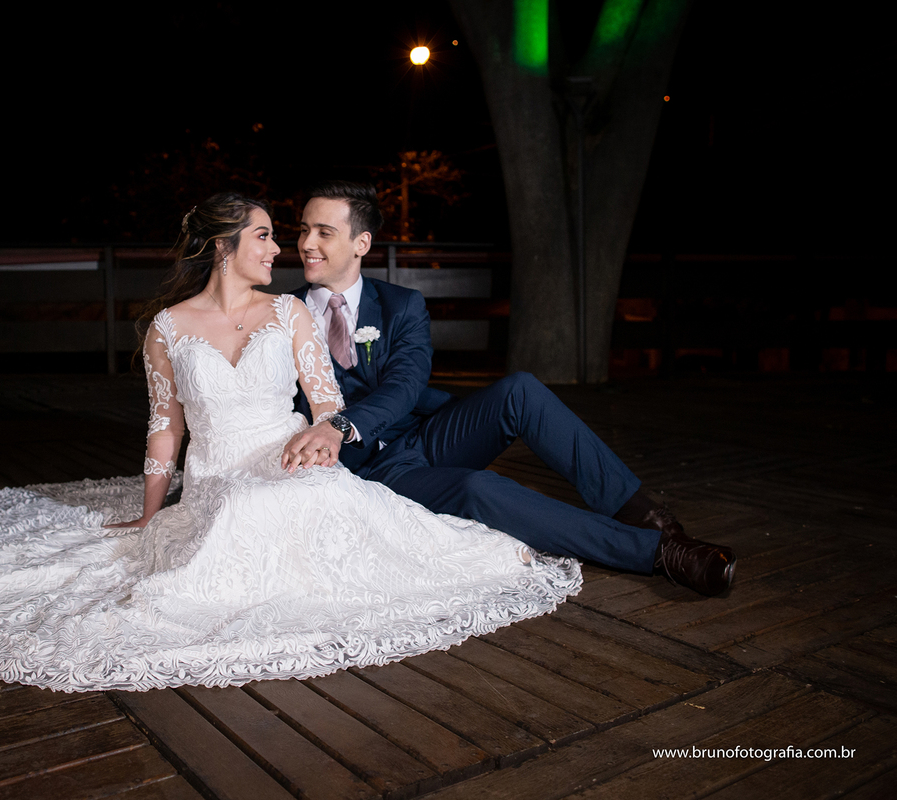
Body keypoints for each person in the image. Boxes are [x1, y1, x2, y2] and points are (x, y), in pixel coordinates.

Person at [0, 192, 582, 694]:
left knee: (320, 499)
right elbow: (165, 428)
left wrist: (324, 433)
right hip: (219, 466)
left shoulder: (289, 313)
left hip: (286, 450)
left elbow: (326, 400)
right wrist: (151, 509)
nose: (281, 245)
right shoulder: (168, 329)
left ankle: (457, 553)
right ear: (225, 246)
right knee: (236, 512)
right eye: (264, 234)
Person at [287, 180, 735, 596]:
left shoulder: (401, 304)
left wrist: (342, 423)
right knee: (478, 488)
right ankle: (660, 553)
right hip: (371, 470)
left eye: (324, 232)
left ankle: (649, 517)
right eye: (304, 230)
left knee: (521, 389)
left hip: (425, 433)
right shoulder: (283, 315)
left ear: (361, 243)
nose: (307, 243)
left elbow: (406, 383)